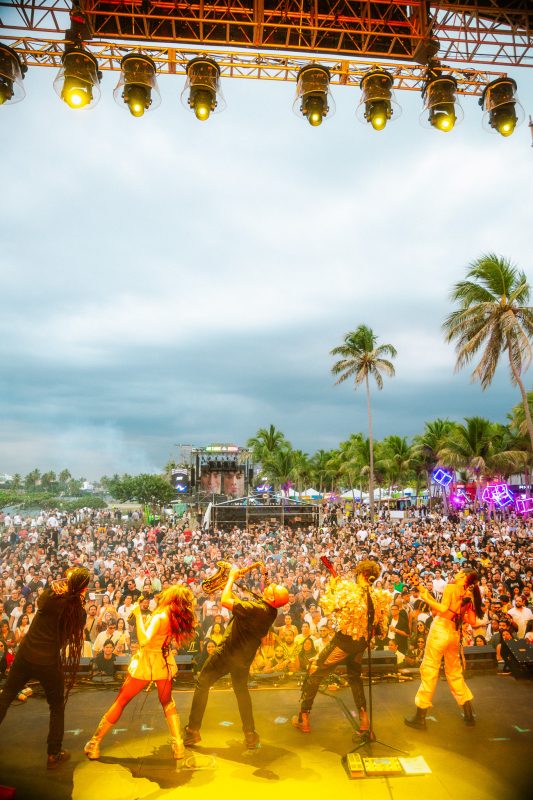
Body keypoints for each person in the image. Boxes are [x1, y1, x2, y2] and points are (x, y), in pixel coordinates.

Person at [84, 585, 196, 761]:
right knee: (167, 702)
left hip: (147, 662)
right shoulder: (172, 617)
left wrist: (137, 616)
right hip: (162, 662)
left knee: (122, 701)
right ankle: (178, 745)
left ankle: (94, 743)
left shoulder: (160, 616)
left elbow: (144, 641)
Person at [183, 566, 289, 750]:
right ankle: (250, 734)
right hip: (243, 659)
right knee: (241, 691)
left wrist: (231, 578)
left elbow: (225, 601)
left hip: (226, 653)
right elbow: (245, 604)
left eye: (270, 589)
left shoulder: (255, 609)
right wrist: (231, 584)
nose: (268, 587)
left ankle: (192, 731)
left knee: (202, 682)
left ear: (271, 598)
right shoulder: (270, 612)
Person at [0, 566, 90, 769]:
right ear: (84, 589)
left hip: (26, 654)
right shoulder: (79, 612)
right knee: (56, 706)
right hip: (48, 661)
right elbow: (73, 631)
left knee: (6, 696)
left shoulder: (49, 597)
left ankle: (54, 753)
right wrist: (77, 596)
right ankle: (53, 754)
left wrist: (65, 585)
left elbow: (51, 590)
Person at [292, 560, 391, 737]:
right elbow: (380, 627)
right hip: (361, 644)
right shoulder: (377, 596)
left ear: (360, 574)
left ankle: (303, 717)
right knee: (354, 677)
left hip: (344, 643)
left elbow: (330, 606)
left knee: (315, 670)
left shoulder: (350, 592)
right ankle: (364, 719)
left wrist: (334, 586)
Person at [404, 569, 483, 730]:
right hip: (453, 634)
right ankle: (469, 714)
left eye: (459, 572)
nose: (456, 573)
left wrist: (425, 597)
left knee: (429, 669)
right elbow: (472, 620)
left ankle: (420, 717)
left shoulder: (451, 587)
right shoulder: (470, 594)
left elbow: (443, 609)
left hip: (440, 630)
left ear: (463, 576)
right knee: (454, 672)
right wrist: (421, 588)